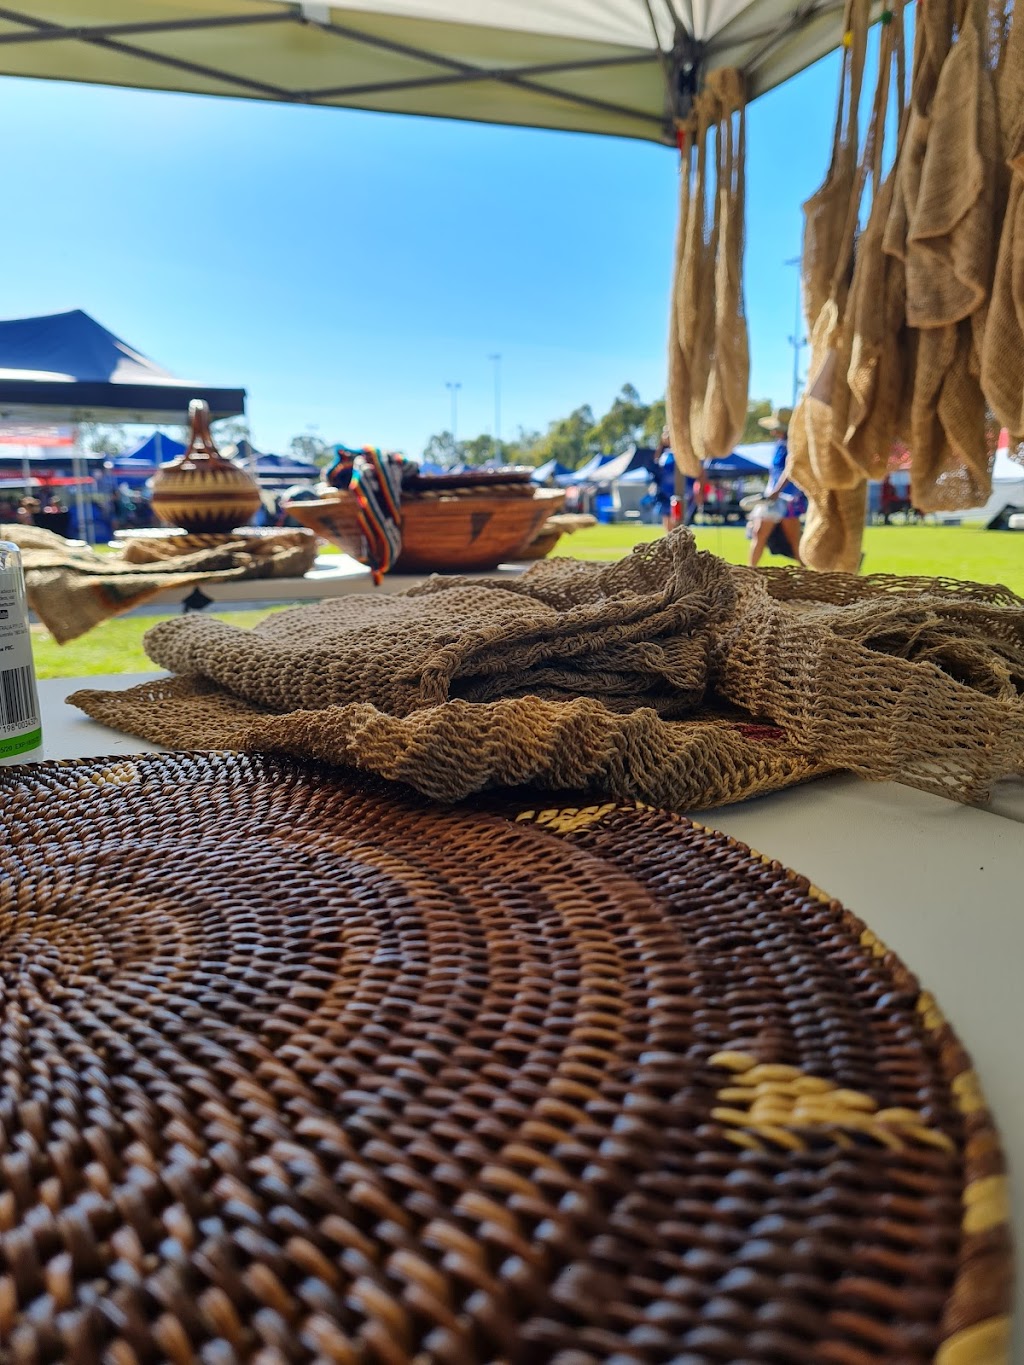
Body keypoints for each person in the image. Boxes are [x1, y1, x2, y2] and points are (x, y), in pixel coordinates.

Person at [748, 408, 805, 566]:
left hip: (786, 498)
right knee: (759, 533)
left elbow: (790, 469)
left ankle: (809, 574)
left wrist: (776, 491)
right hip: (774, 497)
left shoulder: (794, 445)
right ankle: (750, 571)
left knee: (793, 539)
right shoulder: (780, 445)